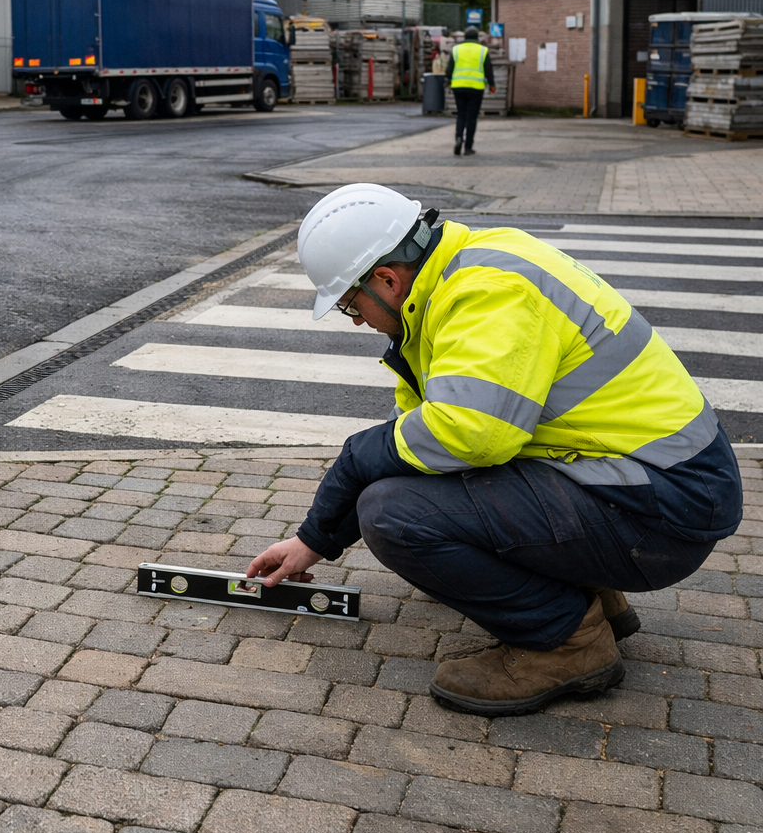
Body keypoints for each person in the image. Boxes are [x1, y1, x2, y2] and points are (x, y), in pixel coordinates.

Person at [247, 183, 743, 716]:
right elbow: (417, 439)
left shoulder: (488, 293)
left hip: (664, 513)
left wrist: (354, 458)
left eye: (351, 304)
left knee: (397, 517)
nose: (359, 320)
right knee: (414, 484)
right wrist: (313, 540)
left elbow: (469, 434)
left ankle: (569, 642)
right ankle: (592, 596)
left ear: (387, 280)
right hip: (645, 485)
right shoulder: (462, 273)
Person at [448, 27, 495, 156]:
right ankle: (468, 148)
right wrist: (492, 85)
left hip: (458, 86)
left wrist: (447, 80)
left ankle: (458, 137)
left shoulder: (456, 49)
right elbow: (488, 69)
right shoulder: (483, 50)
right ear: (477, 38)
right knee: (472, 118)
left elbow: (449, 67)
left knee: (461, 115)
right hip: (476, 88)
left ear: (464, 37)